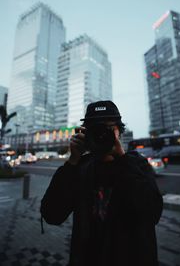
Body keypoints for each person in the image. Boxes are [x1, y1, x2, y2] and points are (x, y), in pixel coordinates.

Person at [40, 100, 163, 266]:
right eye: (95, 129)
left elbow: (152, 214)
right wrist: (73, 160)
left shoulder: (137, 166)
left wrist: (123, 160)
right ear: (84, 134)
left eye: (109, 129)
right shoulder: (80, 168)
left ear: (119, 132)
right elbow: (52, 215)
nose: (101, 134)